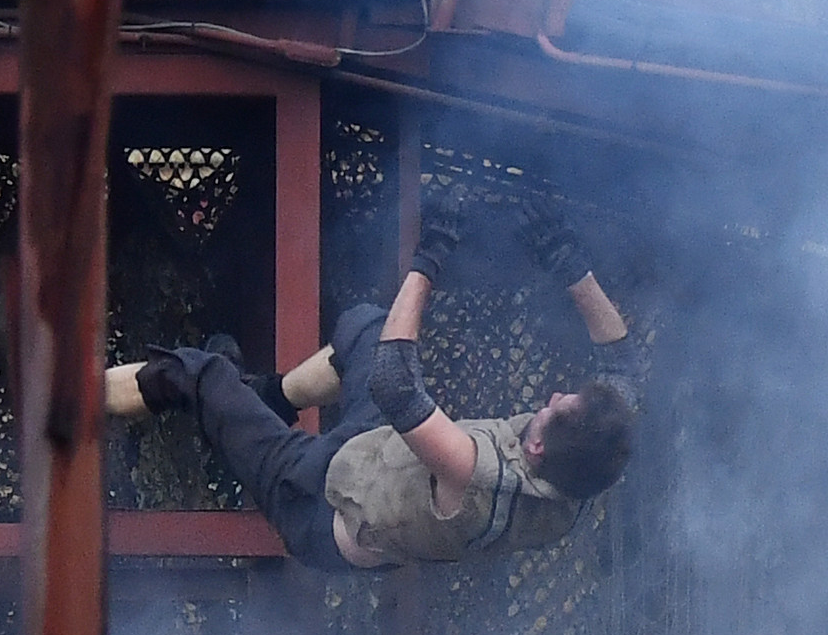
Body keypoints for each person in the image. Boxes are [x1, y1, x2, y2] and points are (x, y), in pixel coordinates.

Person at [105, 187, 640, 570]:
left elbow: (395, 386)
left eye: (554, 408)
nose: (552, 397)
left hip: (318, 504)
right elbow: (621, 365)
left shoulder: (479, 476)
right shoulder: (583, 470)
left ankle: (75, 393)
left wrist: (429, 257)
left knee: (200, 373)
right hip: (372, 454)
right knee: (368, 327)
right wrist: (570, 264)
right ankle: (267, 397)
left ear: (537, 448)